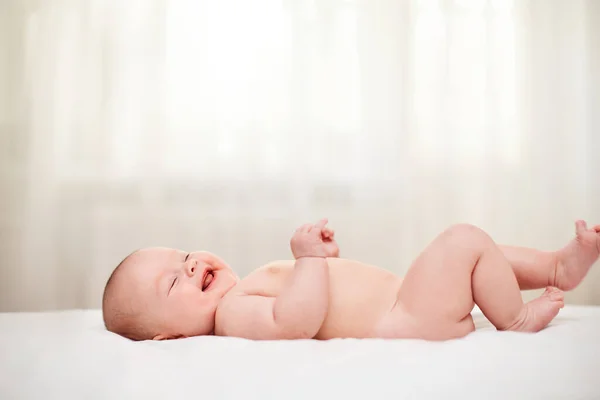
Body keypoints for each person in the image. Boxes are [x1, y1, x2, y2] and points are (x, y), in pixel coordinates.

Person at [102, 219, 599, 341]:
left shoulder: (241, 289)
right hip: (402, 321)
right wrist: (309, 262)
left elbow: (318, 299)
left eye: (184, 256)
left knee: (476, 253)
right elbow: (293, 321)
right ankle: (515, 318)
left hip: (404, 304)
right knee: (464, 240)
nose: (189, 267)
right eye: (173, 284)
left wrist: (324, 263)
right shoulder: (231, 316)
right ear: (168, 336)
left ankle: (556, 267)